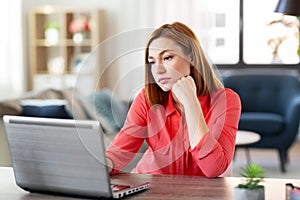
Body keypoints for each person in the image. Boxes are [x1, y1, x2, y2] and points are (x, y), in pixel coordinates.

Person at [106, 22, 241, 178]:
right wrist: (96, 167)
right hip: (150, 187)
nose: (158, 70)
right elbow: (119, 153)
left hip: (200, 192)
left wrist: (191, 103)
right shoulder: (146, 99)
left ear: (191, 56)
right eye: (152, 61)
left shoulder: (226, 100)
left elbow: (213, 169)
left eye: (167, 58)